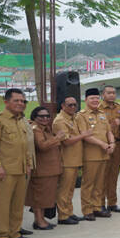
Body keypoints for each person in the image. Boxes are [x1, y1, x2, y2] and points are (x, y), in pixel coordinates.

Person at [0, 88, 34, 238]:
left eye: (23, 101)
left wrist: (28, 163)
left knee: (17, 204)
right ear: (6, 102)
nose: (21, 104)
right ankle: (0, 237)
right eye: (17, 101)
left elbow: (25, 145)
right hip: (4, 170)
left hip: (20, 169)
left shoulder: (20, 120)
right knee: (2, 204)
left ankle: (14, 233)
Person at [76, 88, 115, 221]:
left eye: (97, 98)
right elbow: (85, 136)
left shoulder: (102, 114)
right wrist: (102, 144)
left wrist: (112, 143)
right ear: (86, 100)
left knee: (100, 183)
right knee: (88, 183)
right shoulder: (81, 115)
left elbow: (108, 131)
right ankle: (87, 210)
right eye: (92, 98)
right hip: (91, 155)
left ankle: (97, 207)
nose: (95, 100)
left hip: (104, 154)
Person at [53, 96, 91, 225]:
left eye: (75, 105)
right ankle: (63, 215)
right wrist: (83, 135)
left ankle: (68, 212)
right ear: (63, 106)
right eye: (70, 105)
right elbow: (67, 141)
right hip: (66, 160)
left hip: (74, 159)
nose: (73, 107)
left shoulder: (73, 118)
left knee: (70, 189)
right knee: (64, 189)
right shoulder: (60, 121)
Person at [26, 106, 64, 230]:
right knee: (39, 197)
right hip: (42, 169)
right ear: (34, 117)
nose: (45, 118)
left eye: (47, 116)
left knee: (45, 197)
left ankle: (41, 219)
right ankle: (39, 220)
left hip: (50, 168)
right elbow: (42, 146)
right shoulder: (36, 129)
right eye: (41, 116)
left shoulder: (45, 129)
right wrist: (57, 138)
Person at [98, 85, 120, 213]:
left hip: (117, 144)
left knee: (114, 175)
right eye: (109, 93)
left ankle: (112, 203)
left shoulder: (118, 107)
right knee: (103, 175)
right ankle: (100, 203)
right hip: (105, 145)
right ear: (103, 94)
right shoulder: (99, 108)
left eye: (114, 93)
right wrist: (112, 125)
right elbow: (98, 127)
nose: (112, 95)